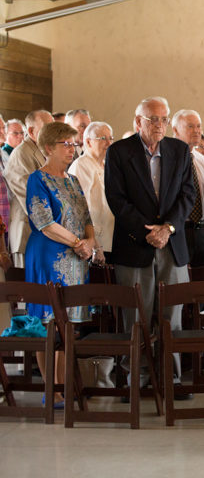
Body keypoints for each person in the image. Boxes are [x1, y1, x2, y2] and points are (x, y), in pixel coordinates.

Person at [105, 97, 194, 395]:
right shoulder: (119, 152)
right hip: (134, 244)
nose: (159, 125)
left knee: (173, 316)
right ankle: (138, 380)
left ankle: (171, 379)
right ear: (137, 121)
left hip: (172, 244)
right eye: (153, 119)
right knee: (136, 316)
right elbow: (116, 199)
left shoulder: (179, 150)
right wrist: (148, 232)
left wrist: (167, 228)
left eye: (164, 119)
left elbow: (188, 196)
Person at [25, 121, 97, 407]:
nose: (72, 149)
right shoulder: (38, 179)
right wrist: (78, 243)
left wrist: (89, 242)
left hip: (77, 259)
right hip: (48, 256)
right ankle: (50, 389)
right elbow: (44, 222)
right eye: (65, 144)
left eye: (73, 144)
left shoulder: (73, 180)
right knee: (49, 324)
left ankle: (66, 386)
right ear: (48, 148)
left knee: (69, 326)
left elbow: (87, 217)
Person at [4, 110, 53, 266]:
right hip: (27, 233)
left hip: (45, 234)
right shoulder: (21, 154)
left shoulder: (45, 151)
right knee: (29, 289)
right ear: (31, 131)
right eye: (47, 127)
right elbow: (32, 197)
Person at [172, 109, 204, 267]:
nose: (197, 131)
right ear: (175, 130)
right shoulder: (168, 159)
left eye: (199, 126)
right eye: (190, 126)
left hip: (203, 230)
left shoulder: (201, 160)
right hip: (180, 229)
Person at [68, 121, 114, 257]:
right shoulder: (81, 165)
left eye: (111, 138)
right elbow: (81, 208)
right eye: (103, 139)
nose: (109, 143)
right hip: (94, 241)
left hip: (111, 237)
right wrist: (94, 244)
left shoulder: (107, 165)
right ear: (88, 142)